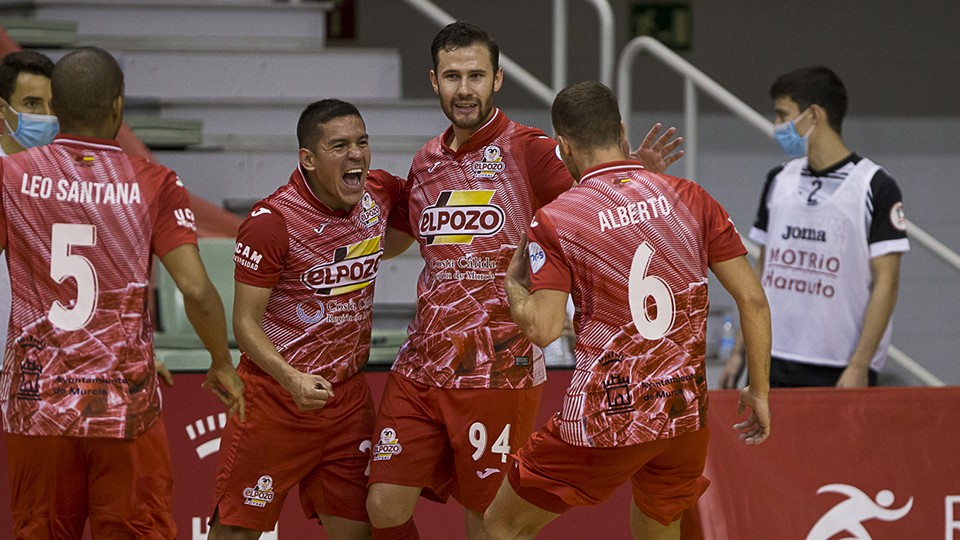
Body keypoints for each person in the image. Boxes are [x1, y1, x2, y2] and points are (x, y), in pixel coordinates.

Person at [364, 21, 683, 540]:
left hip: (497, 371)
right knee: (383, 506)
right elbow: (401, 237)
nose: (463, 89)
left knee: (488, 525)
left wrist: (629, 175)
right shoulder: (425, 160)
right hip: (420, 367)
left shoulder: (529, 150)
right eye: (451, 76)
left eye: (475, 75)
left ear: (497, 80)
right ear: (433, 81)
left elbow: (596, 198)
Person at [482, 80, 772, 540]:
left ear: (563, 147)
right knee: (658, 529)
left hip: (606, 416)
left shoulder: (556, 218)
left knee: (499, 527)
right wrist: (759, 389)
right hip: (683, 413)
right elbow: (753, 299)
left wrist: (513, 286)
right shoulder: (689, 196)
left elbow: (542, 328)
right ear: (620, 129)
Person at [0, 47, 245, 538]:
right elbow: (196, 291)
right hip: (123, 405)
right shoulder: (153, 182)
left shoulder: (11, 177)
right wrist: (220, 361)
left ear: (57, 108)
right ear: (118, 107)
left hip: (37, 406)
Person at [207, 99, 404, 539]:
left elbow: (403, 238)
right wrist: (291, 378)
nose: (356, 154)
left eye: (362, 142)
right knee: (235, 534)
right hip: (275, 400)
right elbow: (245, 324)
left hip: (347, 399)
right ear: (308, 159)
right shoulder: (271, 223)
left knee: (359, 533)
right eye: (339, 146)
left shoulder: (380, 193)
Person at [719, 65, 909, 389]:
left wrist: (860, 364)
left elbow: (886, 283)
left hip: (837, 364)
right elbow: (762, 269)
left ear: (813, 115)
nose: (777, 126)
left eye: (782, 115)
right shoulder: (778, 180)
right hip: (772, 355)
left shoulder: (875, 186)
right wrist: (741, 351)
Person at [0, 50, 56, 369]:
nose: (48, 117)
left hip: (45, 367)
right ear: (2, 110)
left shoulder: (72, 181)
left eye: (53, 106)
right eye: (33, 104)